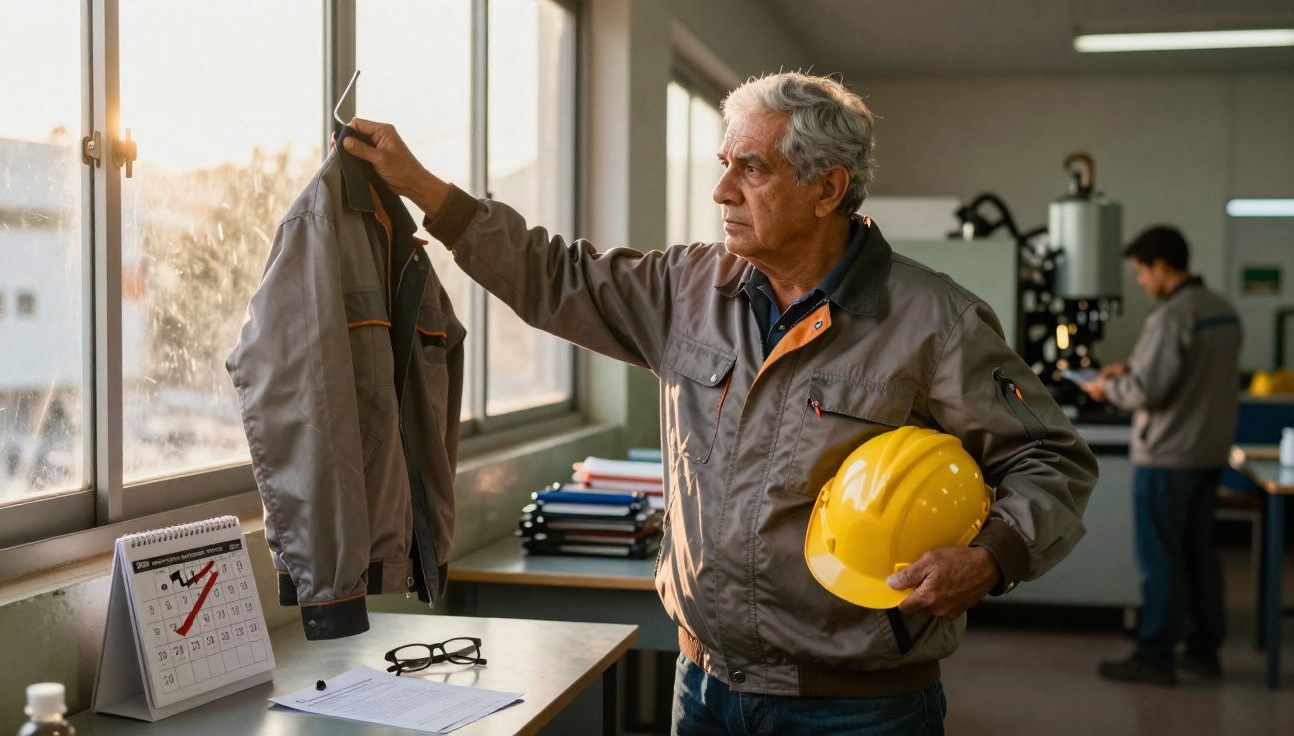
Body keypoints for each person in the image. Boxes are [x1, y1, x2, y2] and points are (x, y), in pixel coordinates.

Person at [343, 71, 1097, 735]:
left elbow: (1051, 459)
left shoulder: (936, 321)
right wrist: (423, 188)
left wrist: (991, 558)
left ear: (827, 188)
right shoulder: (687, 290)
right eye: (723, 165)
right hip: (705, 688)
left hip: (859, 706)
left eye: (752, 168)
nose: (721, 190)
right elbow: (553, 277)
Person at [1082, 225, 1241, 685]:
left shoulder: (1172, 316)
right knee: (1200, 556)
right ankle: (1204, 650)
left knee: (1161, 561)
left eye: (1141, 272)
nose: (1140, 282)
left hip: (1167, 457)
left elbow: (1145, 393)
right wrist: (1129, 368)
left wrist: (1104, 385)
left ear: (1162, 267)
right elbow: (1196, 374)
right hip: (1209, 452)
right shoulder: (1221, 310)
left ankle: (1154, 657)